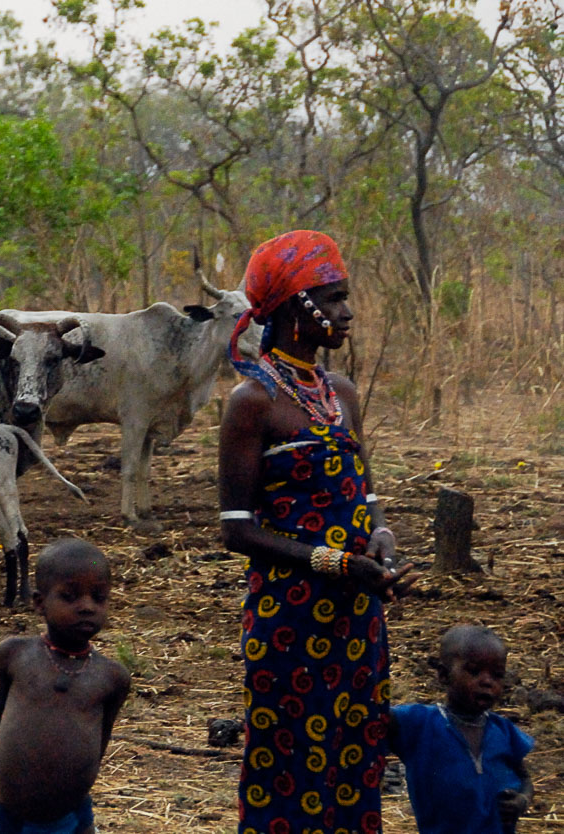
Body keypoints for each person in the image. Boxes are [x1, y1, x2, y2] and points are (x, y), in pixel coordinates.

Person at [216, 230, 415, 834]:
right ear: (288, 309)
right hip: (289, 620)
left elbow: (368, 494)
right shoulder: (252, 403)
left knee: (357, 752)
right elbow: (236, 529)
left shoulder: (342, 394)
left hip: (358, 616)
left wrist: (381, 541)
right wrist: (332, 563)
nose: (346, 312)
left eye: (344, 298)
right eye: (331, 299)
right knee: (289, 758)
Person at [0, 539, 132, 834]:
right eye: (70, 597)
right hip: (8, 814)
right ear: (40, 602)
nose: (86, 607)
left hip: (68, 818)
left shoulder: (111, 678)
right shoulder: (15, 655)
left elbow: (94, 755)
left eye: (99, 598)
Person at [390, 625, 533, 834]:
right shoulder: (420, 724)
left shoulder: (503, 731)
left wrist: (522, 800)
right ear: (443, 675)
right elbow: (374, 716)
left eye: (497, 675)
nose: (487, 682)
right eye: (474, 671)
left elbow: (525, 778)